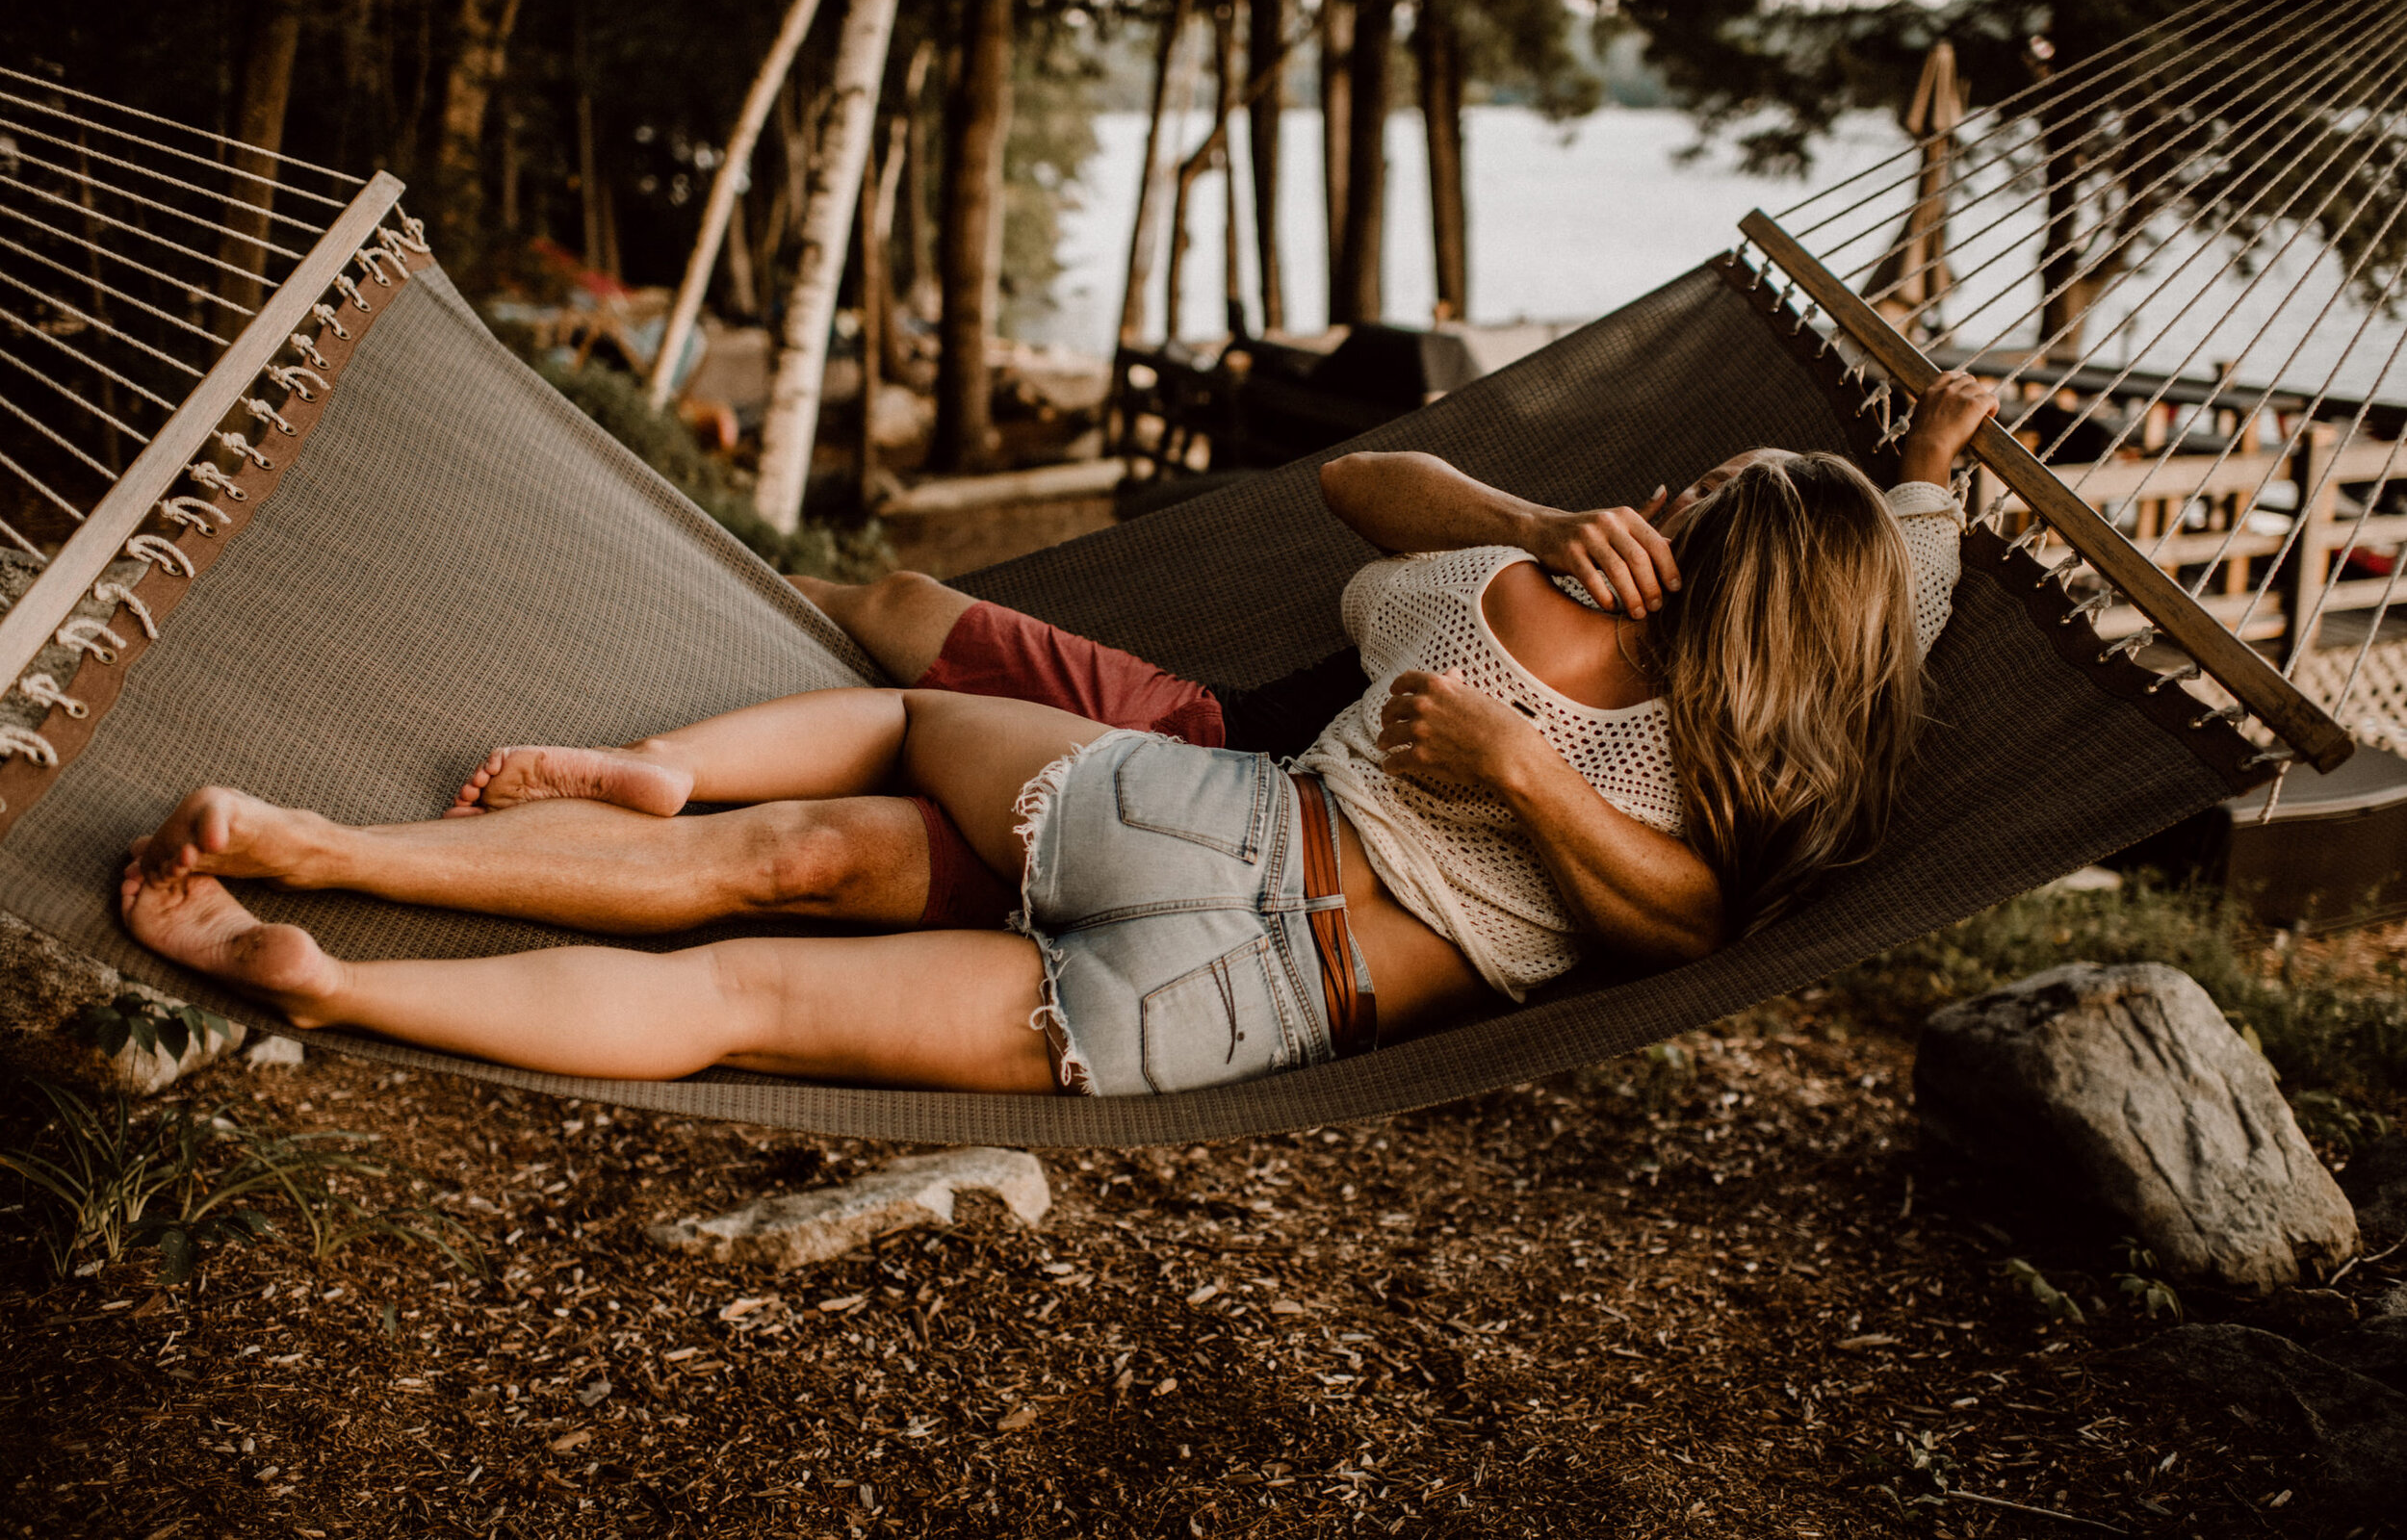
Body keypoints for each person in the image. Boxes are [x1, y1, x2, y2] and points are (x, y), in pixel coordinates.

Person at [117, 373, 2000, 1097]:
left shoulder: (1505, 615)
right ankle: (330, 984)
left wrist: (1520, 616)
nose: (1660, 495)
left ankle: (333, 854)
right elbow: (1698, 901)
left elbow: (1365, 506)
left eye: (1691, 492)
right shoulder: (1765, 768)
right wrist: (1920, 481)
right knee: (739, 1010)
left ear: (1692, 554)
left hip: (1203, 823)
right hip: (1268, 1012)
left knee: (914, 711)